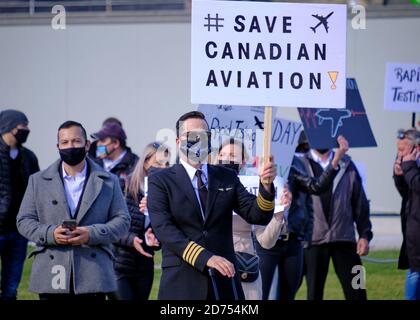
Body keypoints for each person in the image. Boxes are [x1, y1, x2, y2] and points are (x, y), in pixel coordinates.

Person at [147, 111, 277, 300]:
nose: (199, 140)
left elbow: (257, 215)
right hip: (182, 283)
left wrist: (266, 186)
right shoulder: (161, 180)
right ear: (178, 142)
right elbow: (164, 229)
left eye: (204, 135)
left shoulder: (226, 176)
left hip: (223, 283)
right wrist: (206, 258)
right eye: (192, 135)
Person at [16, 120, 130, 300]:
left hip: (93, 271)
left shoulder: (109, 180)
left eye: (76, 141)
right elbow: (23, 220)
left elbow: (123, 220)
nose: (70, 146)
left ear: (87, 145)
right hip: (51, 271)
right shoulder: (37, 181)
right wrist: (51, 233)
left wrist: (91, 233)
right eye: (65, 142)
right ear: (58, 146)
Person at [255, 135, 349, 300]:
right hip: (265, 240)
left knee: (288, 294)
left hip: (292, 240)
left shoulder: (293, 163)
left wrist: (338, 157)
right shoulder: (254, 165)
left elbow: (316, 186)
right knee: (258, 295)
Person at [217, 138, 290, 300]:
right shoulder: (203, 186)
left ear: (243, 162)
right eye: (222, 155)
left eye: (232, 155)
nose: (226, 159)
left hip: (244, 268)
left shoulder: (256, 190)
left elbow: (266, 242)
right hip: (212, 266)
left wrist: (279, 212)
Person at [302, 143, 372, 300]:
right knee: (313, 293)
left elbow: (360, 203)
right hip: (313, 240)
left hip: (345, 238)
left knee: (358, 288)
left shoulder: (348, 164)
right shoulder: (302, 164)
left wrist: (364, 234)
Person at [114, 142, 170, 300]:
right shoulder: (124, 186)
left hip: (145, 264)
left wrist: (155, 239)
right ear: (146, 162)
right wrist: (131, 240)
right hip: (119, 264)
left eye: (167, 163)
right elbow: (110, 226)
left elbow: (164, 229)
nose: (164, 167)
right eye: (159, 163)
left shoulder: (166, 193)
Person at [0, 109, 39, 300]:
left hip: (18, 231)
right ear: (8, 127)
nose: (26, 129)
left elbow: (37, 191)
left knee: (11, 285)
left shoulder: (29, 157)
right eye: (22, 126)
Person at [399, 129, 420, 300]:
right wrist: (399, 174)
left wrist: (408, 167)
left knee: (415, 273)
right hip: (414, 229)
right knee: (415, 271)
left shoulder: (412, 163)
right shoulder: (413, 161)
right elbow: (407, 193)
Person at [91, 122, 139, 190]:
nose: (98, 144)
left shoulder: (135, 165)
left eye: (102, 141)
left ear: (116, 143)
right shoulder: (93, 163)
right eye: (98, 141)